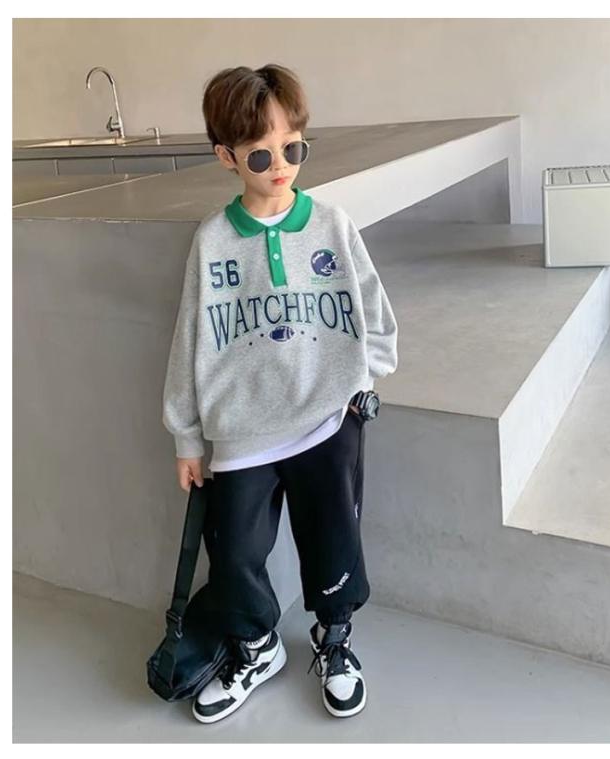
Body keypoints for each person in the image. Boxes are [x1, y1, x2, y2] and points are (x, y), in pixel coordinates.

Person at [162, 63, 398, 723]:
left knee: (333, 541)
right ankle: (257, 646)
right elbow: (190, 339)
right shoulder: (212, 240)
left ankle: (334, 637)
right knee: (235, 553)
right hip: (241, 431)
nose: (280, 167)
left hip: (326, 417)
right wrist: (186, 435)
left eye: (293, 149)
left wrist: (365, 378)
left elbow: (374, 307)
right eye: (262, 155)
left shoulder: (332, 224)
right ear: (227, 157)